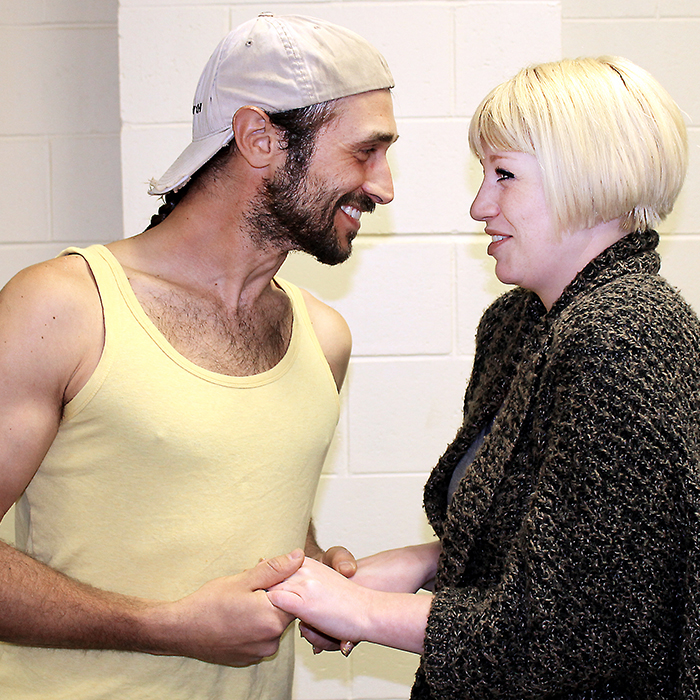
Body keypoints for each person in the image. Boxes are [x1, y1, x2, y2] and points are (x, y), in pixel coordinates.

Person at [267, 56, 700, 698]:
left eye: (504, 175)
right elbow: (550, 549)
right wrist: (415, 566)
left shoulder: (625, 337)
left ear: (589, 179)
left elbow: (576, 633)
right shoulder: (519, 325)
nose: (479, 205)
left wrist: (356, 610)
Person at [0, 13, 398, 700]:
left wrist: (311, 573)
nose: (385, 186)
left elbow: (245, 508)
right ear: (260, 138)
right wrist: (164, 626)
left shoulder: (324, 338)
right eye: (366, 152)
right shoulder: (63, 308)